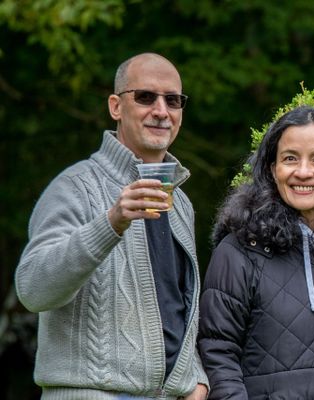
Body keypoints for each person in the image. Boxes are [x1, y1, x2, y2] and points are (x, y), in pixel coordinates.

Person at [15, 53, 209, 400]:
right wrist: (111, 223)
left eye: (173, 100)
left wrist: (196, 376)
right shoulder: (74, 187)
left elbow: (177, 308)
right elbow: (32, 290)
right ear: (116, 107)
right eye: (146, 97)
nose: (161, 111)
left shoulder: (180, 203)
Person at [198, 106, 314, 399]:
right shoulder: (240, 251)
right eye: (290, 158)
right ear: (273, 170)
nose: (303, 172)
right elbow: (217, 352)